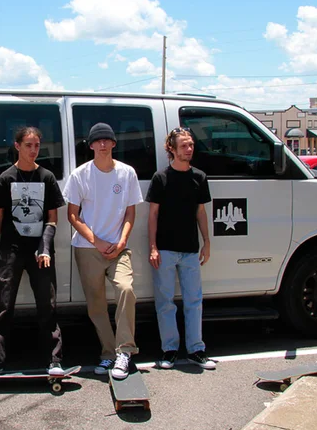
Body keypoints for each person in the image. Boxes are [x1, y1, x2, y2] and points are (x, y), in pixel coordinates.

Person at [0, 126, 66, 377]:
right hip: (11, 249)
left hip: (41, 251)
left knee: (47, 306)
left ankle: (54, 360)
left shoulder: (47, 177)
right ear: (17, 146)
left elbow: (52, 218)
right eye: (28, 145)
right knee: (3, 305)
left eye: (37, 145)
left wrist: (45, 247)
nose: (33, 150)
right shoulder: (7, 178)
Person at [63, 123, 143, 379]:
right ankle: (109, 354)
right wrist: (96, 241)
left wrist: (121, 241)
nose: (103, 144)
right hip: (87, 248)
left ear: (114, 144)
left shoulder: (127, 173)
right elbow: (73, 216)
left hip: (119, 248)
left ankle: (125, 351)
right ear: (91, 145)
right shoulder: (80, 175)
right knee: (96, 305)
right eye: (98, 141)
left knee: (126, 290)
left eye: (108, 140)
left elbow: (131, 212)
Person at [146, 127, 216, 370]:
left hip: (189, 249)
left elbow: (201, 212)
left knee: (194, 300)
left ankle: (196, 349)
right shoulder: (160, 178)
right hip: (164, 249)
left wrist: (207, 242)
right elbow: (152, 214)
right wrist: (153, 247)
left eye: (191, 145)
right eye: (184, 145)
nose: (189, 149)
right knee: (165, 302)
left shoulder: (199, 177)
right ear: (172, 149)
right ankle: (170, 350)